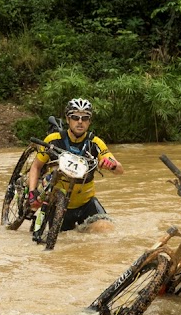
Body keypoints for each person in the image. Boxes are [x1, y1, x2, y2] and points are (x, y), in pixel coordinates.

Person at [26, 98, 124, 231]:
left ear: (89, 122)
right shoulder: (53, 140)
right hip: (58, 202)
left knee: (105, 229)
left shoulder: (95, 143)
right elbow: (36, 167)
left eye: (85, 118)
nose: (80, 121)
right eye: (75, 117)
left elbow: (119, 169)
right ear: (67, 119)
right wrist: (32, 192)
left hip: (86, 202)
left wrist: (111, 164)